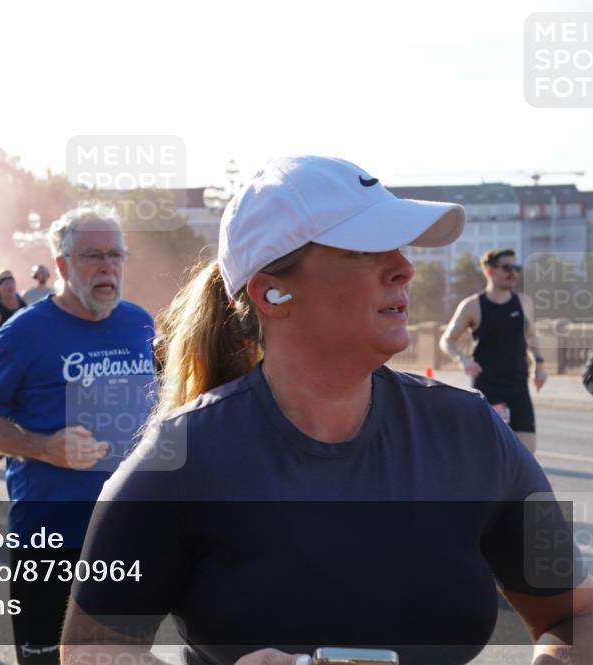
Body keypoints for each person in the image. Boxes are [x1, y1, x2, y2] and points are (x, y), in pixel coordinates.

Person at [61, 156, 592, 665]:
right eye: (366, 250)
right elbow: (89, 647)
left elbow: (576, 613)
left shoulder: (470, 431)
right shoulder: (180, 457)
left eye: (400, 247)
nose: (405, 268)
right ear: (272, 293)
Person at [0, 205, 156, 665]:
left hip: (127, 535)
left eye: (116, 255)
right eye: (93, 256)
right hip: (49, 535)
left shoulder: (140, 324)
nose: (108, 266)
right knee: (47, 660)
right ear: (63, 265)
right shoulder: (24, 333)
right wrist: (44, 447)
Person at [440, 248, 547, 454]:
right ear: (489, 270)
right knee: (489, 453)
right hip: (488, 389)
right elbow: (447, 340)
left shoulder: (524, 303)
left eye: (516, 268)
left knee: (527, 453)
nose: (513, 273)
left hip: (518, 386)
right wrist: (463, 360)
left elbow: (532, 336)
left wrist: (539, 364)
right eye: (507, 268)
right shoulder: (472, 306)